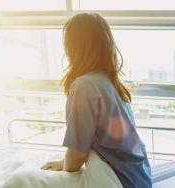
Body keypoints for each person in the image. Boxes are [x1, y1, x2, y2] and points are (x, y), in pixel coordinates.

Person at [41, 13, 152, 188]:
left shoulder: (84, 86)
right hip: (137, 178)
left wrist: (63, 173)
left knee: (21, 180)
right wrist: (64, 162)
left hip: (117, 180)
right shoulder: (110, 83)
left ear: (75, 47)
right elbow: (103, 145)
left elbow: (77, 157)